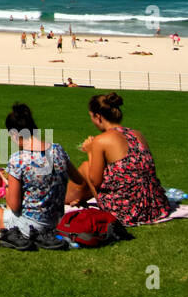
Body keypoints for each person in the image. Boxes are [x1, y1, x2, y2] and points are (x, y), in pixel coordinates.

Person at [0, 102, 83, 237]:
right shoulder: (58, 149)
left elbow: (14, 205)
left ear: (15, 134)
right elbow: (78, 180)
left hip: (29, 226)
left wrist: (6, 182)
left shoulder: (18, 159)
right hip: (57, 222)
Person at [65, 92, 174, 224]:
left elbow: (95, 182)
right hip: (154, 205)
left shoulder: (101, 141)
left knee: (86, 167)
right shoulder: (137, 134)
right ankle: (76, 197)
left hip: (125, 211)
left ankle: (59, 198)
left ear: (98, 117)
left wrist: (90, 151)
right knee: (99, 171)